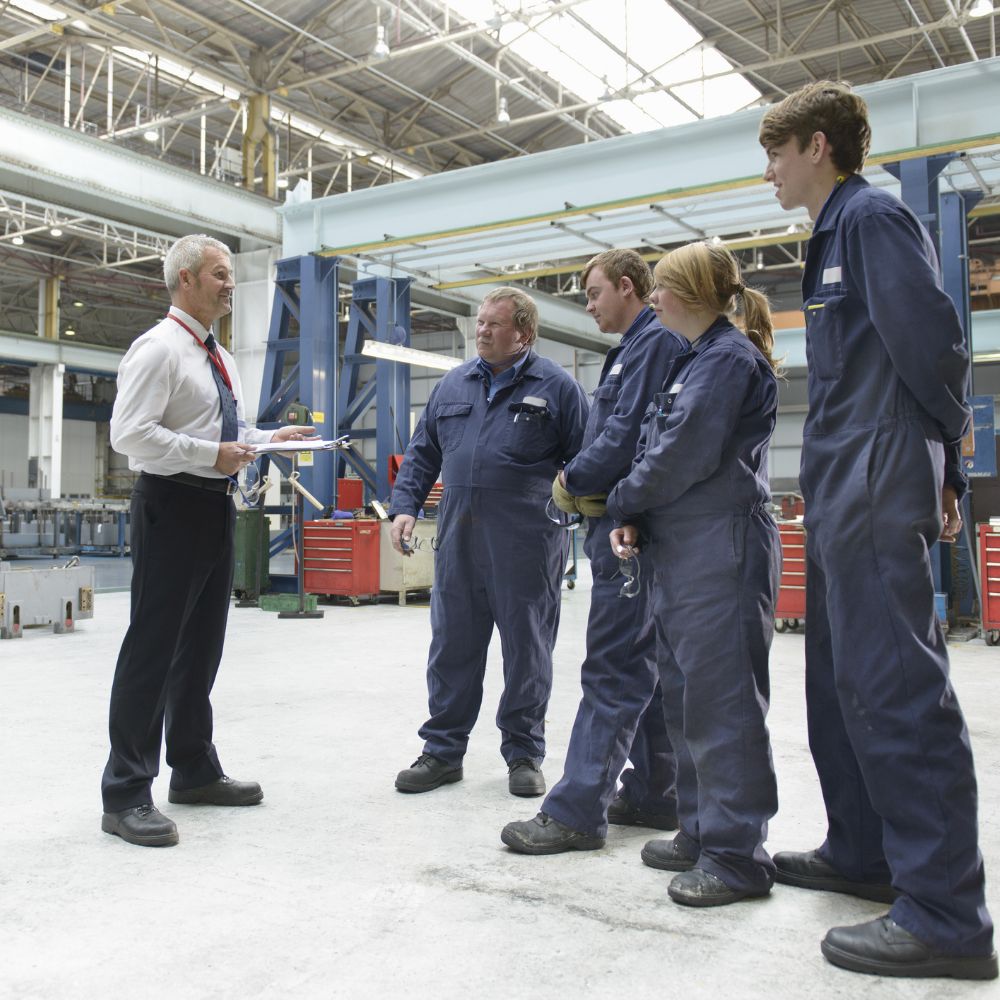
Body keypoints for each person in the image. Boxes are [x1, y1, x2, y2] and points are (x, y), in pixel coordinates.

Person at [759, 81, 996, 978]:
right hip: (840, 473)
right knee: (838, 678)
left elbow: (932, 340)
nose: (771, 172)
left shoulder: (871, 219)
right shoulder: (829, 236)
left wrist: (946, 455)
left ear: (819, 146)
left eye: (777, 154)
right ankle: (865, 851)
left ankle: (945, 912)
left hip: (880, 461)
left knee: (895, 681)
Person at [101, 234, 313, 848]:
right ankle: (124, 793)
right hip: (171, 506)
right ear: (186, 279)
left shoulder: (217, 354)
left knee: (201, 647)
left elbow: (226, 429)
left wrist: (271, 438)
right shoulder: (159, 349)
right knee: (153, 649)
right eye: (220, 274)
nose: (230, 283)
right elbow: (128, 435)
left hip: (214, 505)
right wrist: (209, 454)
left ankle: (192, 769)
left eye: (230, 274)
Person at [605, 241, 781, 908]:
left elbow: (683, 453)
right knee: (683, 697)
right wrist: (639, 519)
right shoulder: (696, 359)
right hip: (681, 549)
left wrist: (622, 501)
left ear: (687, 295)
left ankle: (737, 854)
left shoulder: (728, 361)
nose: (652, 299)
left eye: (661, 289)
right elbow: (659, 444)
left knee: (724, 703)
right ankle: (701, 830)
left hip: (722, 548)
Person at [500, 249, 684, 854]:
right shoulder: (633, 349)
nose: (588, 304)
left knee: (613, 666)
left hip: (626, 529)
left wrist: (569, 479)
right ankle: (658, 790)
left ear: (627, 288)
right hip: (629, 524)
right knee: (645, 662)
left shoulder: (650, 343)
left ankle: (577, 809)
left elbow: (623, 434)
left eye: (594, 293)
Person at [390, 287, 588, 797]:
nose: (481, 331)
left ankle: (524, 753)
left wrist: (589, 511)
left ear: (523, 333)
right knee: (452, 645)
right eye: (479, 322)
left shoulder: (558, 387)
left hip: (527, 542)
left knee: (527, 649)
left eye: (493, 324)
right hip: (458, 539)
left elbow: (588, 458)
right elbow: (421, 452)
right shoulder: (453, 385)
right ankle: (442, 751)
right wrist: (405, 507)